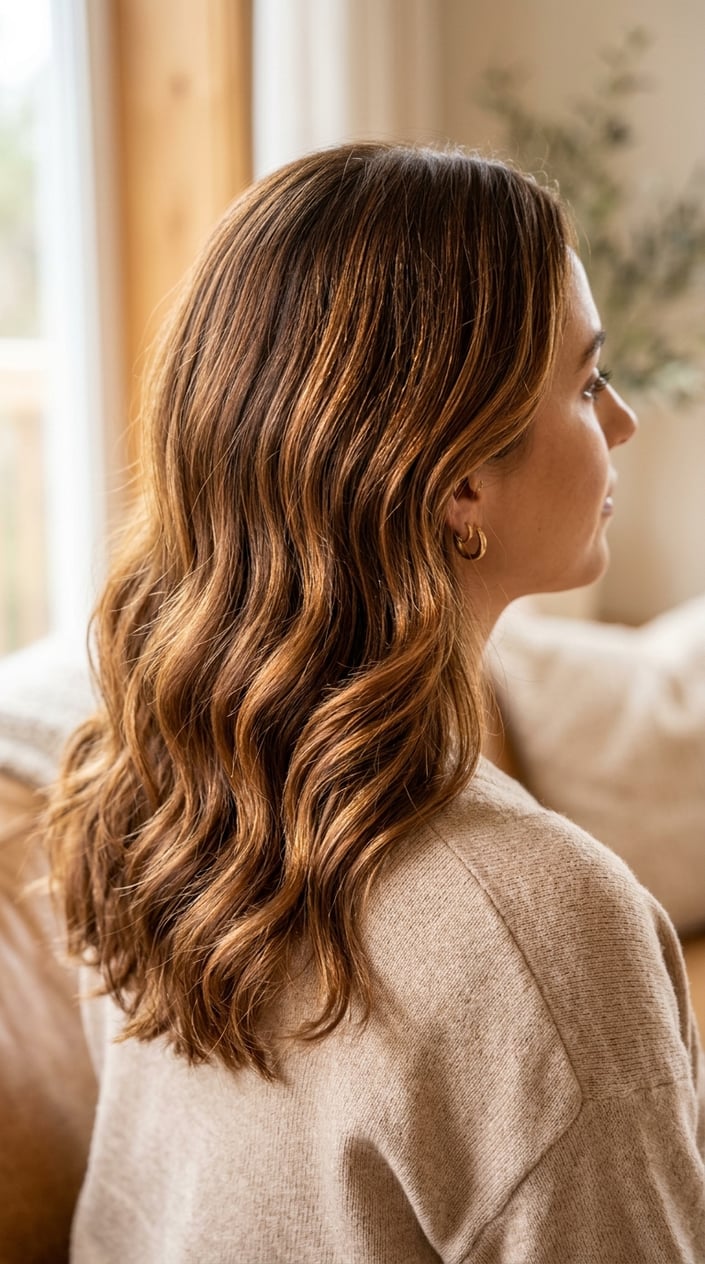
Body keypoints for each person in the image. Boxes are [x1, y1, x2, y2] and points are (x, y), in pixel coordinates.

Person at [47, 143, 704, 1261]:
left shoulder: (154, 799)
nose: (625, 421)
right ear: (458, 482)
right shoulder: (547, 925)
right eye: (588, 385)